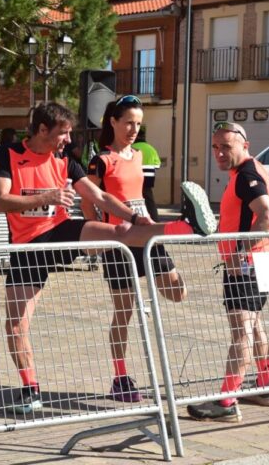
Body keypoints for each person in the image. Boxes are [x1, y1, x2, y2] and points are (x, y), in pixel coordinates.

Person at [0, 101, 216, 414]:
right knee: (16, 324)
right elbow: (0, 201)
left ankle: (186, 227)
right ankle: (30, 390)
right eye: (63, 133)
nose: (68, 140)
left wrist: (135, 218)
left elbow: (98, 196)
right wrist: (48, 196)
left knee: (120, 232)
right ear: (42, 129)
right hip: (27, 245)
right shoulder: (9, 154)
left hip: (59, 230)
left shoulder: (65, 159)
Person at [81, 96, 187, 403]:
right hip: (120, 241)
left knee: (178, 291)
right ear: (113, 122)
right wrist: (97, 234)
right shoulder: (101, 159)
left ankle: (148, 288)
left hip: (148, 233)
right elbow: (89, 200)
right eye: (128, 122)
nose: (133, 129)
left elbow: (143, 193)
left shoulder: (139, 155)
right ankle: (120, 376)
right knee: (123, 312)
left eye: (138, 124)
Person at [187, 121, 269, 423]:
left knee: (241, 331)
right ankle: (265, 385)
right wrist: (261, 240)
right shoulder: (256, 169)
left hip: (246, 266)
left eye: (225, 146)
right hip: (263, 259)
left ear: (244, 145)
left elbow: (267, 215)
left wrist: (243, 249)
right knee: (254, 325)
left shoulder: (245, 175)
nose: (219, 152)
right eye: (215, 147)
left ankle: (227, 401)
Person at [131, 127, 162, 221]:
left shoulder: (132, 148)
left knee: (134, 199)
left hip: (135, 177)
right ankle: (155, 218)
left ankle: (138, 218)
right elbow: (157, 165)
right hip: (149, 178)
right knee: (149, 199)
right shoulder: (151, 148)